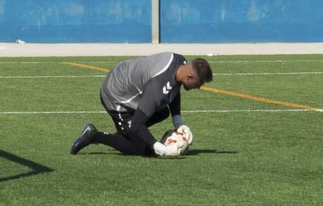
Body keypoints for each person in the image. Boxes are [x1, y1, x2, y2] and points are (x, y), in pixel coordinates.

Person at [69, 52, 214, 157]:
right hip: (115, 96)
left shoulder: (180, 62)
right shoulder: (158, 87)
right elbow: (137, 124)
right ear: (190, 77)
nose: (199, 87)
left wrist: (178, 123)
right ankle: (92, 135)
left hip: (124, 73)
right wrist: (160, 148)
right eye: (199, 83)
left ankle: (126, 133)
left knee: (163, 112)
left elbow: (174, 89)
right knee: (141, 149)